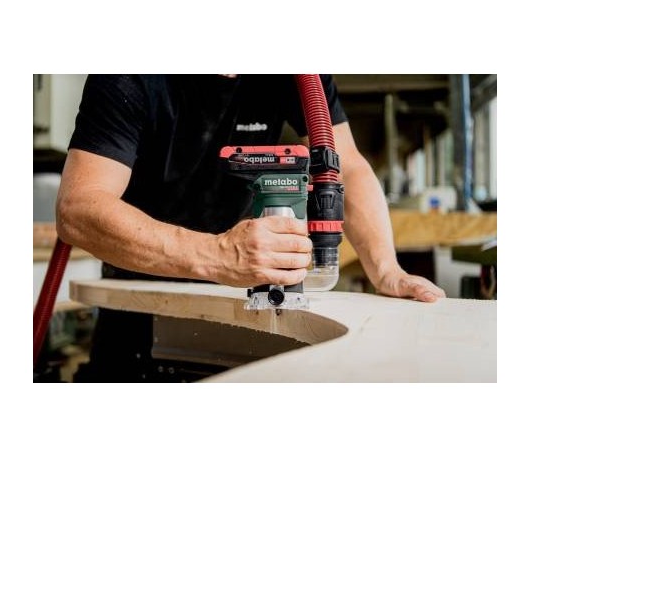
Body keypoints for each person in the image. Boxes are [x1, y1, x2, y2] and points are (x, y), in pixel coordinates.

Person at [56, 74, 445, 381]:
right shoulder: (129, 74)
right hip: (140, 290)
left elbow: (345, 165)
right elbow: (79, 208)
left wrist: (386, 269)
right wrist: (218, 255)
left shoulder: (295, 74)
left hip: (238, 296)